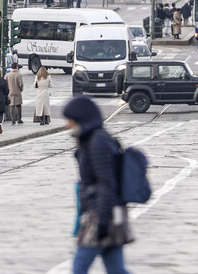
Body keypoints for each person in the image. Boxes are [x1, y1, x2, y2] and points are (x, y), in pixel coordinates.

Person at [62, 96, 134, 274]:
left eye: (70, 119)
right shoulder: (91, 139)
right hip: (108, 212)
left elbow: (107, 182)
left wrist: (102, 221)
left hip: (101, 214)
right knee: (116, 270)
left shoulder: (97, 141)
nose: (67, 124)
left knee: (79, 267)